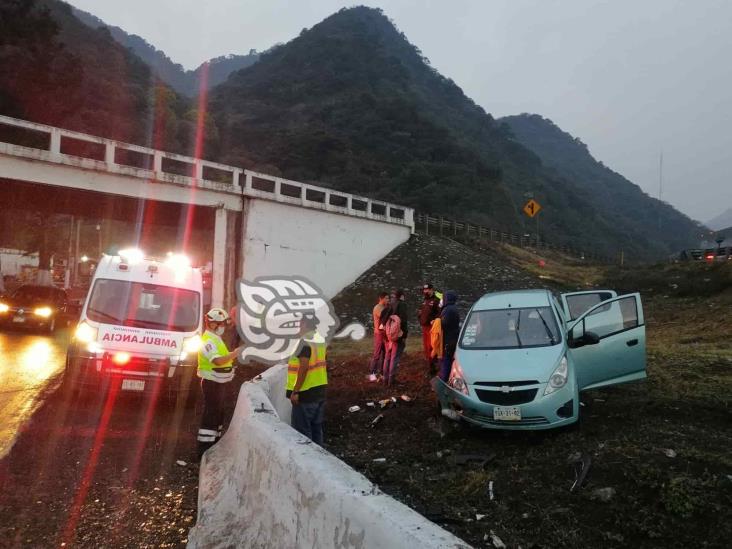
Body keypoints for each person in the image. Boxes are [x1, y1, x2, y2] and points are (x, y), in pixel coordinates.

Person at [197, 308, 244, 458]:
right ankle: (204, 448)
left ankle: (214, 444)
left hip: (219, 383)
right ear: (211, 324)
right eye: (221, 323)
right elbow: (217, 361)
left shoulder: (215, 339)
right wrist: (235, 353)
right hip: (212, 383)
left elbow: (223, 359)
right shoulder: (207, 341)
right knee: (211, 414)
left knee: (218, 413)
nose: (223, 326)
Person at [287, 317, 328, 444]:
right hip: (319, 390)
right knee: (316, 428)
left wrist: (296, 391)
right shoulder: (320, 340)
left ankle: (306, 462)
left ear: (304, 324)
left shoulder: (304, 342)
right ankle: (319, 459)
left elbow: (303, 367)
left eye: (299, 323)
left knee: (302, 433)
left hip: (305, 394)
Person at [382, 289, 408, 386]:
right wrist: (404, 335)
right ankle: (391, 381)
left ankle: (385, 379)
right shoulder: (402, 305)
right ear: (401, 296)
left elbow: (383, 318)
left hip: (387, 334)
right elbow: (404, 321)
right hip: (396, 335)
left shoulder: (389, 304)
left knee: (387, 357)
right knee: (394, 357)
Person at [418, 283, 442, 375]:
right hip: (424, 327)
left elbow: (440, 313)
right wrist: (420, 318)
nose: (425, 291)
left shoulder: (437, 300)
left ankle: (436, 366)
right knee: (427, 348)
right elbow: (420, 312)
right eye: (424, 290)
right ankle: (431, 367)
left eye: (427, 289)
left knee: (433, 346)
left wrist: (435, 320)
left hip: (432, 327)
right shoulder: (424, 300)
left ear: (432, 289)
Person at [439, 290, 460, 382]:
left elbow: (444, 324)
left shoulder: (448, 310)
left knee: (446, 359)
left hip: (449, 338)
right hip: (453, 337)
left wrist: (437, 322)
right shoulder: (453, 308)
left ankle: (444, 379)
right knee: (450, 358)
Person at [368, 292, 389, 382]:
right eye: (387, 298)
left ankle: (381, 373)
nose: (388, 300)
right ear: (382, 299)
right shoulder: (377, 308)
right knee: (377, 355)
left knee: (384, 354)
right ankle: (372, 375)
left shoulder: (384, 307)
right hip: (379, 334)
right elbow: (384, 316)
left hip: (384, 334)